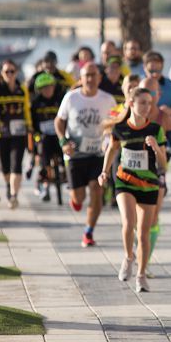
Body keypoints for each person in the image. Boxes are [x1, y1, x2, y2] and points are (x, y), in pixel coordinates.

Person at [99, 87, 167, 293]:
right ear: (131, 104)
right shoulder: (120, 128)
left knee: (144, 233)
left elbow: (164, 164)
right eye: (143, 103)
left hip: (149, 184)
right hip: (125, 181)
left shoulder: (156, 129)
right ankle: (129, 257)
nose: (147, 107)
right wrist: (104, 171)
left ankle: (141, 274)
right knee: (129, 222)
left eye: (150, 103)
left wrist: (155, 147)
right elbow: (112, 150)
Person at [55, 63, 117, 247]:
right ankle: (75, 198)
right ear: (80, 78)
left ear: (99, 78)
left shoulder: (108, 99)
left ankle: (88, 232)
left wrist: (109, 141)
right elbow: (59, 121)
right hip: (75, 154)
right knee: (79, 198)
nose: (89, 79)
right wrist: (63, 141)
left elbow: (113, 123)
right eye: (86, 75)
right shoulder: (71, 98)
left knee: (97, 191)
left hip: (98, 154)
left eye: (93, 75)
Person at [0, 59, 31, 209]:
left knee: (17, 164)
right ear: (2, 73)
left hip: (19, 133)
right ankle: (10, 187)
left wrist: (29, 127)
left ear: (16, 72)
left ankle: (14, 195)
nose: (9, 74)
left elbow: (27, 110)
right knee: (5, 166)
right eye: (6, 72)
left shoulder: (22, 90)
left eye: (12, 71)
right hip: (1, 133)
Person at [30, 73, 64, 203]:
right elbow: (31, 122)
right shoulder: (35, 102)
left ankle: (64, 172)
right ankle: (45, 186)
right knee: (43, 152)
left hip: (58, 134)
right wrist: (35, 134)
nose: (47, 90)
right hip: (43, 135)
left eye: (49, 87)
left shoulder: (60, 99)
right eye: (44, 88)